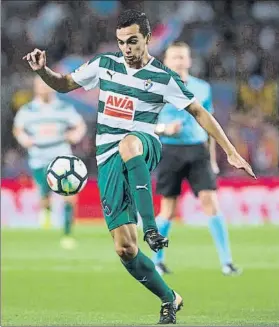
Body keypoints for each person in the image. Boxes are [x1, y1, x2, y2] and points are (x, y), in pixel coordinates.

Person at [22, 9, 255, 325]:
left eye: (132, 41)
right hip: (107, 163)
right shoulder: (105, 65)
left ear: (147, 38)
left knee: (129, 143)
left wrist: (230, 152)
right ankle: (169, 298)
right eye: (121, 42)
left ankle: (151, 227)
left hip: (144, 146)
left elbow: (200, 112)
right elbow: (63, 84)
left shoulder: (162, 77)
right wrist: (43, 71)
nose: (126, 49)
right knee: (125, 249)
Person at [153, 41, 241, 276]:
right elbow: (144, 124)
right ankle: (157, 261)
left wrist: (212, 159)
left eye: (183, 57)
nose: (179, 61)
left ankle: (227, 262)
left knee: (210, 202)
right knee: (168, 209)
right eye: (175, 58)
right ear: (167, 62)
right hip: (170, 151)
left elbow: (210, 124)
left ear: (189, 61)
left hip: (198, 150)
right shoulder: (156, 88)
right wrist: (163, 129)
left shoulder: (202, 88)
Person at [13, 76, 87, 249]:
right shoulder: (28, 110)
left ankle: (68, 234)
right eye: (41, 86)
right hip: (39, 156)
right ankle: (46, 209)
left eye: (47, 85)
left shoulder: (64, 108)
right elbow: (17, 129)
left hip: (61, 155)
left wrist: (75, 135)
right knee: (45, 196)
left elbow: (80, 125)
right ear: (36, 88)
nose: (44, 89)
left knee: (70, 195)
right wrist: (24, 139)